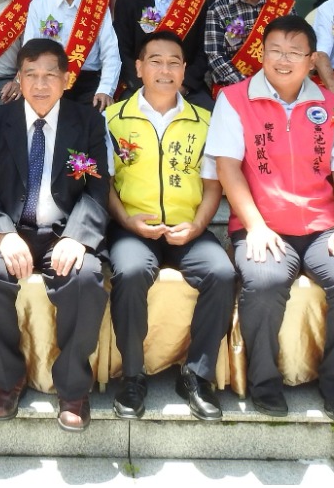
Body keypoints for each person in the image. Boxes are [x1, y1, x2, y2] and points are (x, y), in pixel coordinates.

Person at [206, 15, 334, 420]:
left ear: (312, 59)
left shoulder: (333, 105)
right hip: (260, 224)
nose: (284, 60)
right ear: (261, 53)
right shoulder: (233, 98)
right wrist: (256, 226)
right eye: (275, 50)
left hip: (321, 226)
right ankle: (264, 382)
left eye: (295, 53)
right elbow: (228, 169)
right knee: (264, 282)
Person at [0, 39, 110, 432]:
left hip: (63, 231)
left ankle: (74, 387)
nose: (40, 84)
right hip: (9, 229)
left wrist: (78, 237)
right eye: (31, 74)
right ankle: (7, 378)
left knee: (86, 279)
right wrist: (3, 234)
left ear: (66, 79)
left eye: (50, 75)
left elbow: (98, 190)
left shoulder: (89, 122)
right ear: (19, 78)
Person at [104, 31, 234, 421]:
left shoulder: (205, 121)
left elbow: (213, 186)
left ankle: (197, 375)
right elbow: (104, 185)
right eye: (155, 61)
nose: (165, 69)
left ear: (184, 70)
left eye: (174, 62)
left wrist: (196, 226)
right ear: (139, 68)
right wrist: (127, 220)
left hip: (186, 226)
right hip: (131, 226)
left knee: (222, 272)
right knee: (129, 271)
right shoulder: (112, 118)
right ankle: (132, 376)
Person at [115, 0, 210, 108]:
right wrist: (144, 87)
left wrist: (183, 86)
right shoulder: (128, 2)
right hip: (140, 85)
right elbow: (122, 50)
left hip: (185, 86)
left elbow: (203, 52)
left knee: (209, 116)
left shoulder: (195, 3)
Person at [23, 0, 119, 110]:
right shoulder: (39, 4)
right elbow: (30, 50)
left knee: (97, 120)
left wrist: (105, 89)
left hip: (89, 82)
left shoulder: (97, 5)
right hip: (49, 79)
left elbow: (110, 52)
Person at [204, 0, 295, 94]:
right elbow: (215, 56)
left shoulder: (283, 6)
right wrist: (248, 86)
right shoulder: (218, 9)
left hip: (279, 83)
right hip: (235, 85)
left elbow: (296, 47)